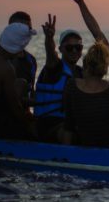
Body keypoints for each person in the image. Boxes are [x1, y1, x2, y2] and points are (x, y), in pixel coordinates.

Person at [62, 42, 109, 148]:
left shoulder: (72, 85)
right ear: (104, 69)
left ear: (85, 67)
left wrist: (65, 153)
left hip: (84, 139)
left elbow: (69, 123)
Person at [33, 15, 84, 143]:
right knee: (72, 129)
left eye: (78, 47)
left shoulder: (82, 73)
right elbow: (50, 54)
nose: (74, 51)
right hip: (49, 124)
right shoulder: (54, 69)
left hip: (71, 122)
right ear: (61, 49)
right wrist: (49, 38)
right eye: (69, 47)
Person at [8, 10, 38, 105]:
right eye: (21, 29)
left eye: (28, 29)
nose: (25, 33)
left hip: (24, 115)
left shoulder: (31, 60)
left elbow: (30, 91)